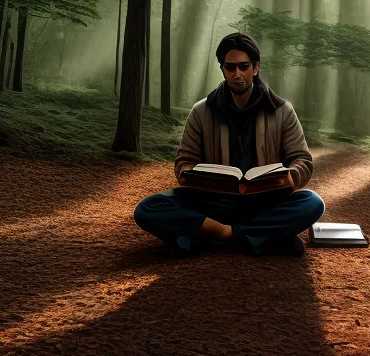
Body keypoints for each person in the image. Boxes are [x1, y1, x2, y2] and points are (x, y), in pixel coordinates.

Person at [133, 32, 325, 257]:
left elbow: (302, 159)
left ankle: (205, 236)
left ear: (255, 68)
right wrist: (190, 174)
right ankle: (242, 236)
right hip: (213, 204)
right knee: (148, 208)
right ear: (222, 69)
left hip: (264, 202)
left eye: (243, 67)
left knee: (312, 202)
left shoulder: (282, 110)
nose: (237, 74)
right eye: (230, 67)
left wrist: (290, 176)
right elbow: (185, 161)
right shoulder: (201, 111)